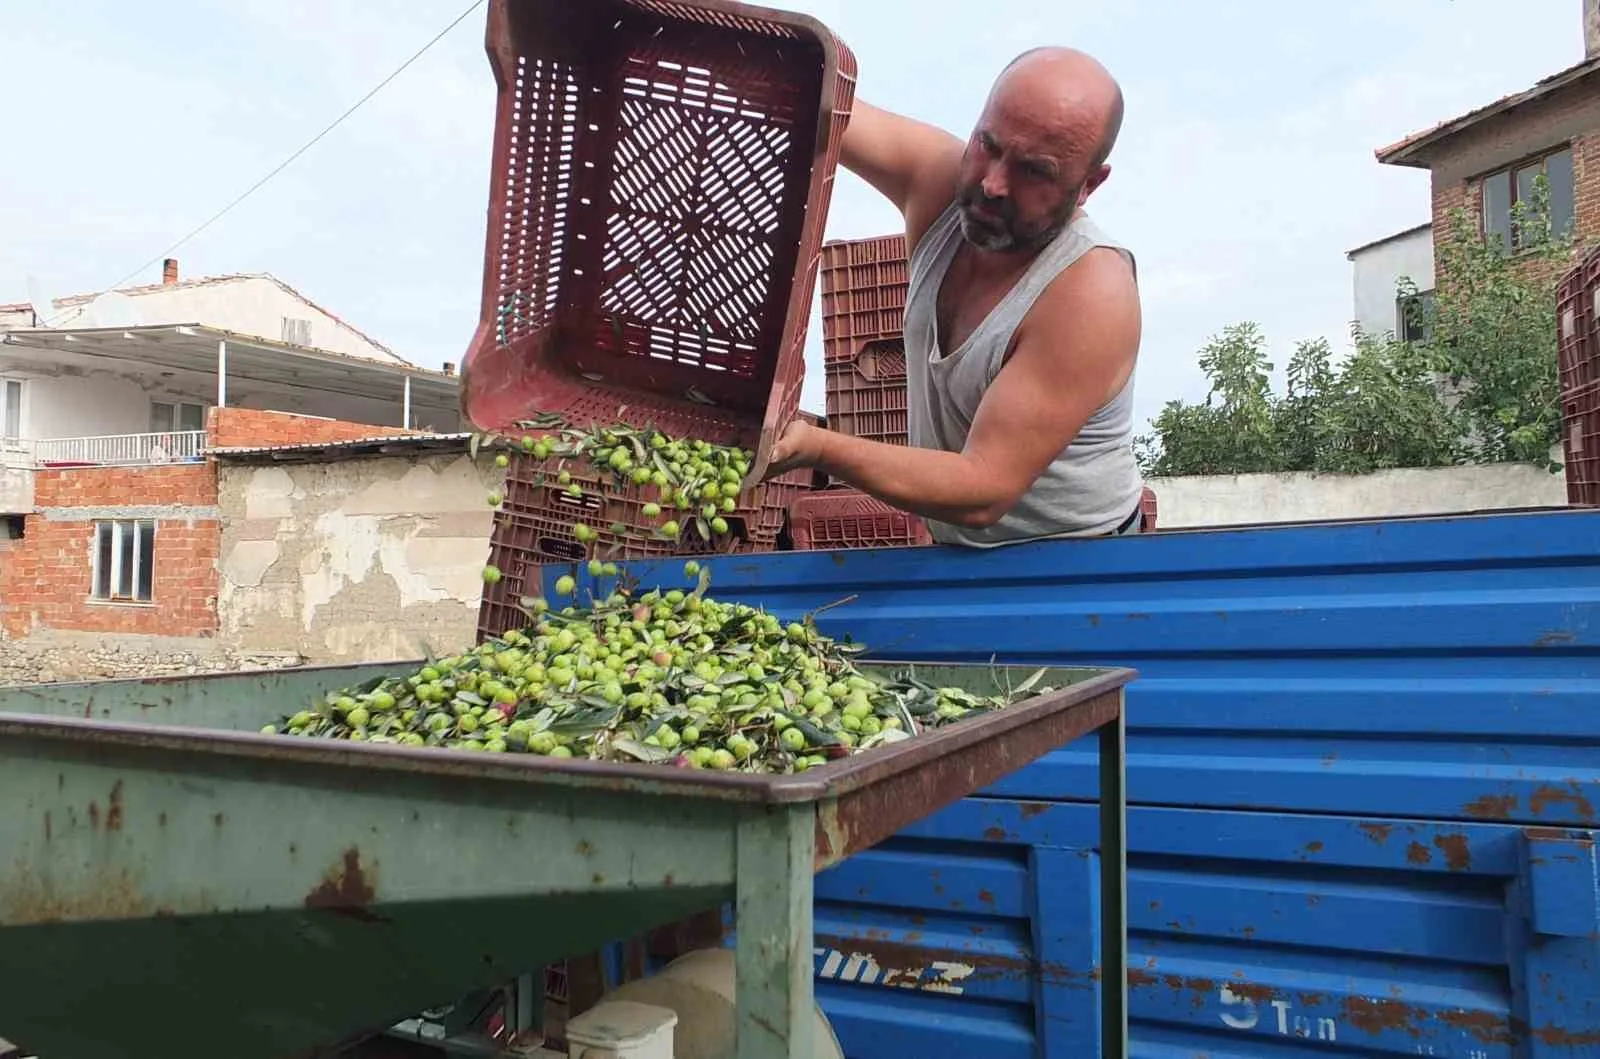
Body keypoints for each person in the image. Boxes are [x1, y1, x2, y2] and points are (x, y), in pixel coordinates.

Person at [766, 47, 1146, 546]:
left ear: (1088, 185)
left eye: (1034, 171)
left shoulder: (1090, 290)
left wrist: (815, 446)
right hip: (958, 549)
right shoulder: (937, 182)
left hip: (1076, 562)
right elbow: (817, 100)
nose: (992, 183)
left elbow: (983, 486)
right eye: (987, 144)